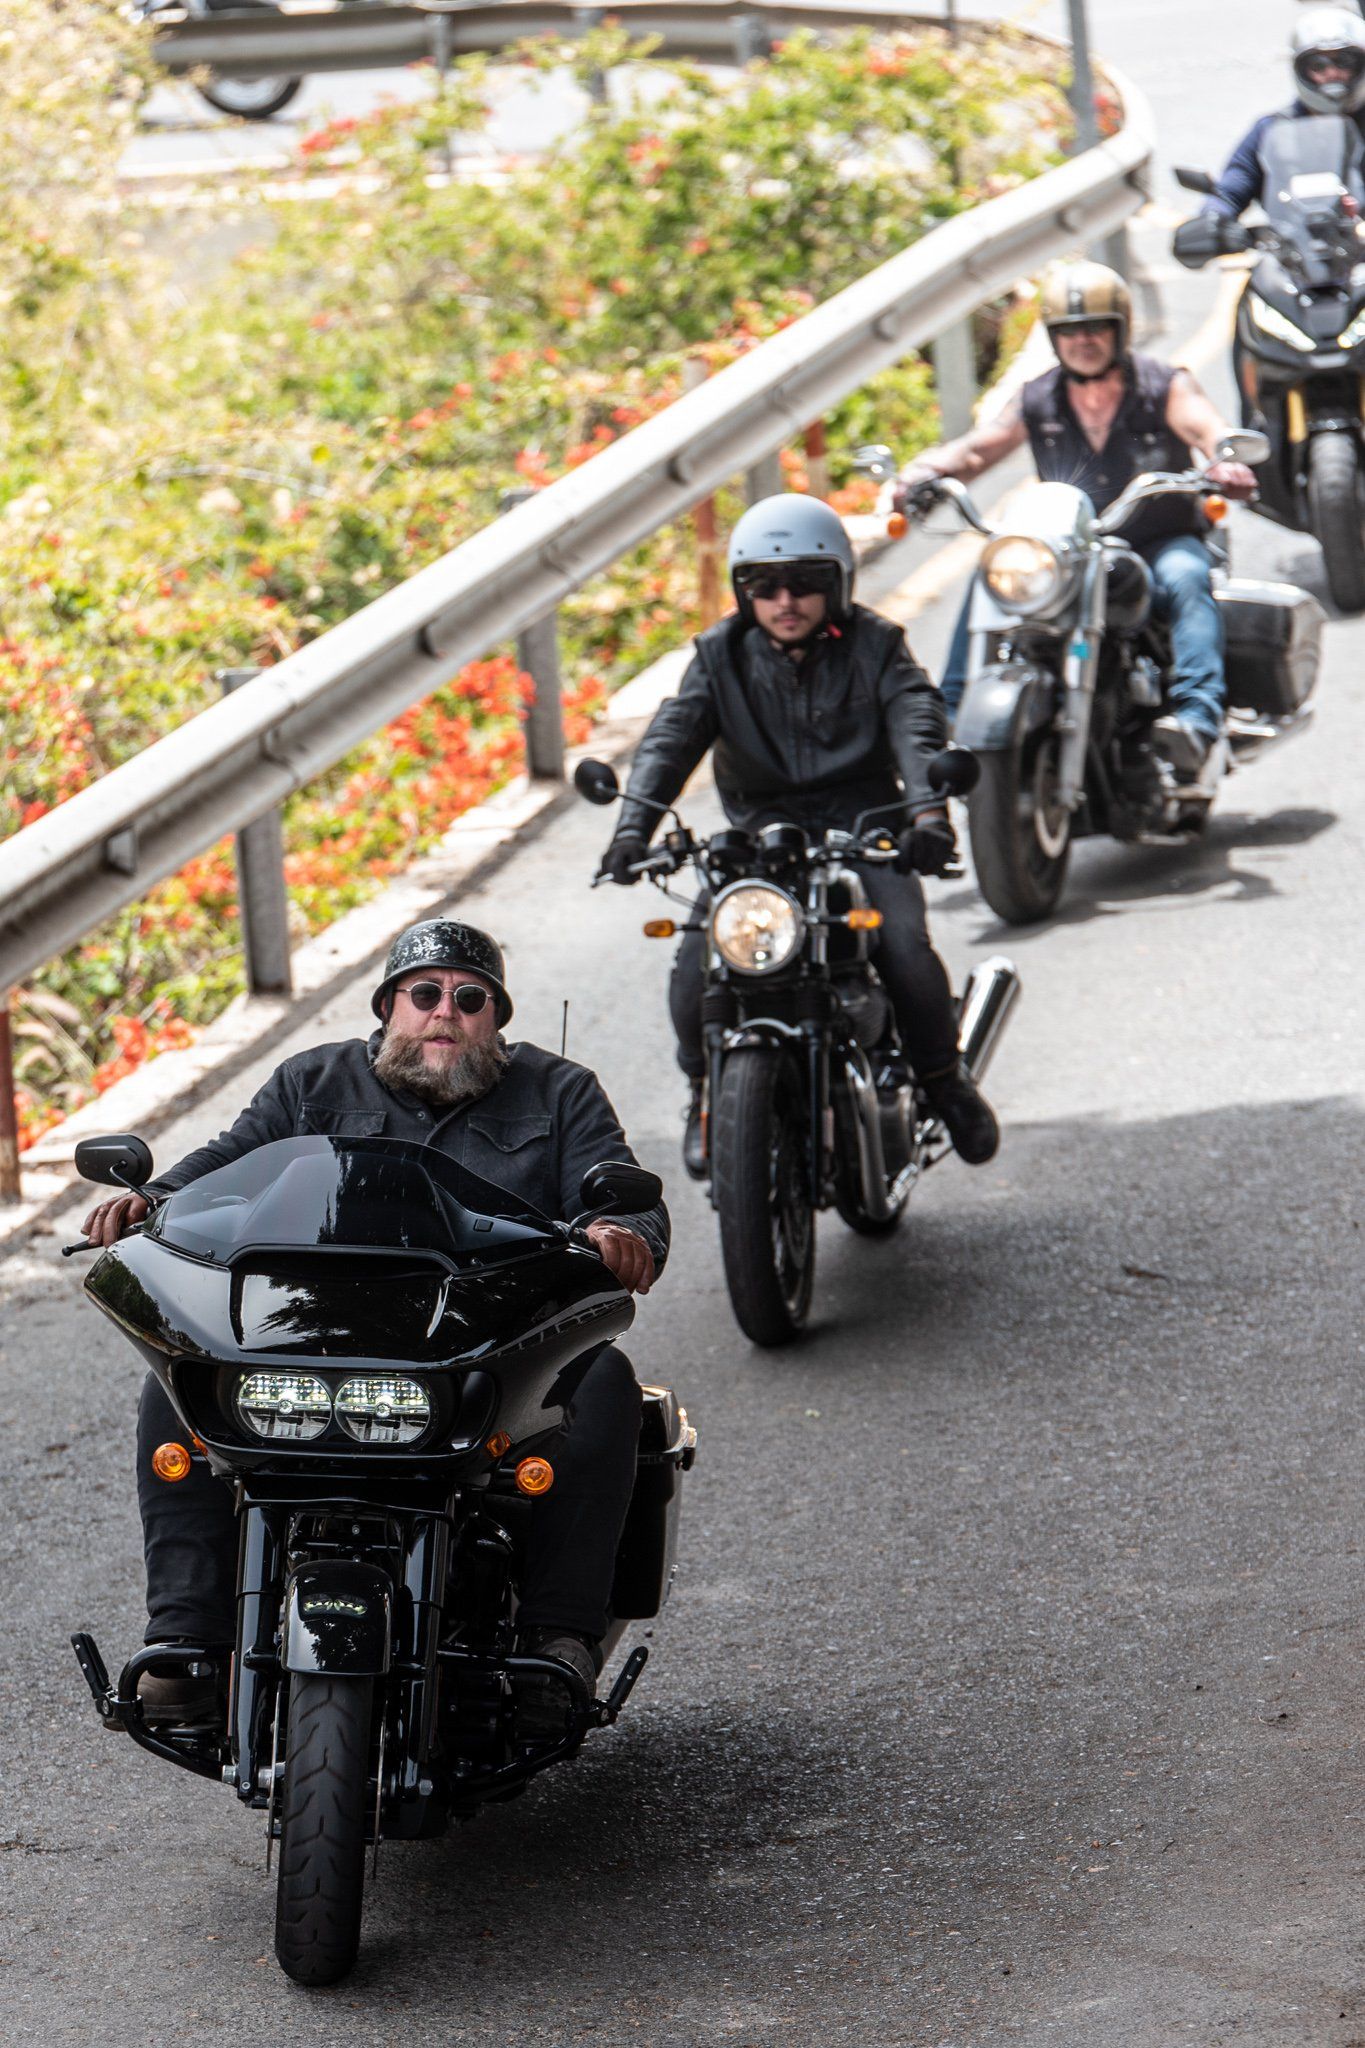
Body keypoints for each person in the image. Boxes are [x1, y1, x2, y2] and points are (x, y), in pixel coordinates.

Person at [82, 918, 668, 1722]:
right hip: (309, 1334)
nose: (445, 1012)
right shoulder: (309, 1082)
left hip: (479, 1346)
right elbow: (223, 1164)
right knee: (176, 1389)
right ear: (388, 1007)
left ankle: (556, 1642)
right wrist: (151, 1201)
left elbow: (627, 1197)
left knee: (602, 1379)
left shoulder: (559, 1091)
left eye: (471, 999)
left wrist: (623, 1232)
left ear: (496, 1017)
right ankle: (187, 1638)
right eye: (424, 994)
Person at [598, 493, 999, 1178]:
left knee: (901, 941)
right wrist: (631, 829)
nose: (786, 599)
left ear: (837, 583)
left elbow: (915, 721)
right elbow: (672, 736)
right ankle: (704, 1094)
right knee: (697, 959)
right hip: (760, 839)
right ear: (742, 590)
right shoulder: (719, 654)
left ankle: (942, 1080)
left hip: (866, 829)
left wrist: (928, 815)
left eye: (806, 582)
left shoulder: (875, 645)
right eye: (764, 584)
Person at [898, 260, 1258, 777]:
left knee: (1187, 578)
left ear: (1120, 330)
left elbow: (1207, 428)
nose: (1082, 341)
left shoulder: (1163, 385)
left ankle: (1196, 721)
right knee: (993, 573)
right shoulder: (1039, 397)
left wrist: (1226, 461)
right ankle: (954, 712)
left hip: (1157, 539)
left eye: (1095, 328)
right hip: (1072, 546)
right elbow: (980, 451)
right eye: (1069, 330)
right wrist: (924, 471)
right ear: (1053, 336)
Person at [1173, 5, 1365, 230]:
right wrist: (1212, 221)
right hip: (1294, 253)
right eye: (1317, 65)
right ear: (1299, 69)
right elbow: (1231, 189)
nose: (1331, 73)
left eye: (1344, 61)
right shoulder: (1272, 129)